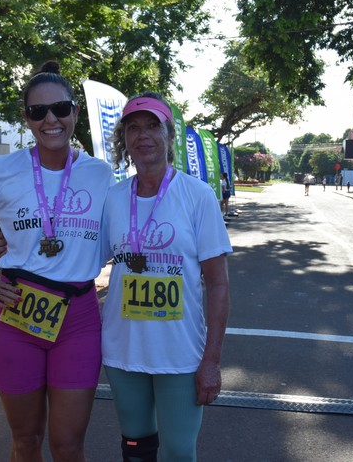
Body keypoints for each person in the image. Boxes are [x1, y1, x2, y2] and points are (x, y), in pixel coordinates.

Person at [0, 60, 115, 461]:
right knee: (26, 440)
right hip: (16, 313)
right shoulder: (1, 171)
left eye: (60, 109)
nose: (51, 119)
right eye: (37, 112)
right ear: (27, 119)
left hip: (78, 319)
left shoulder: (100, 175)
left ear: (75, 113)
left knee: (67, 445)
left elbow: (121, 234)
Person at [101, 92, 232, 461]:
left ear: (169, 135)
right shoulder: (112, 198)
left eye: (152, 126)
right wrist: (11, 241)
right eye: (133, 128)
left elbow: (219, 284)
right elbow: (79, 258)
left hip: (180, 355)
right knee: (136, 448)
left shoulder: (197, 196)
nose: (142, 135)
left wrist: (212, 361)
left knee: (178, 451)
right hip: (123, 351)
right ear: (124, 140)